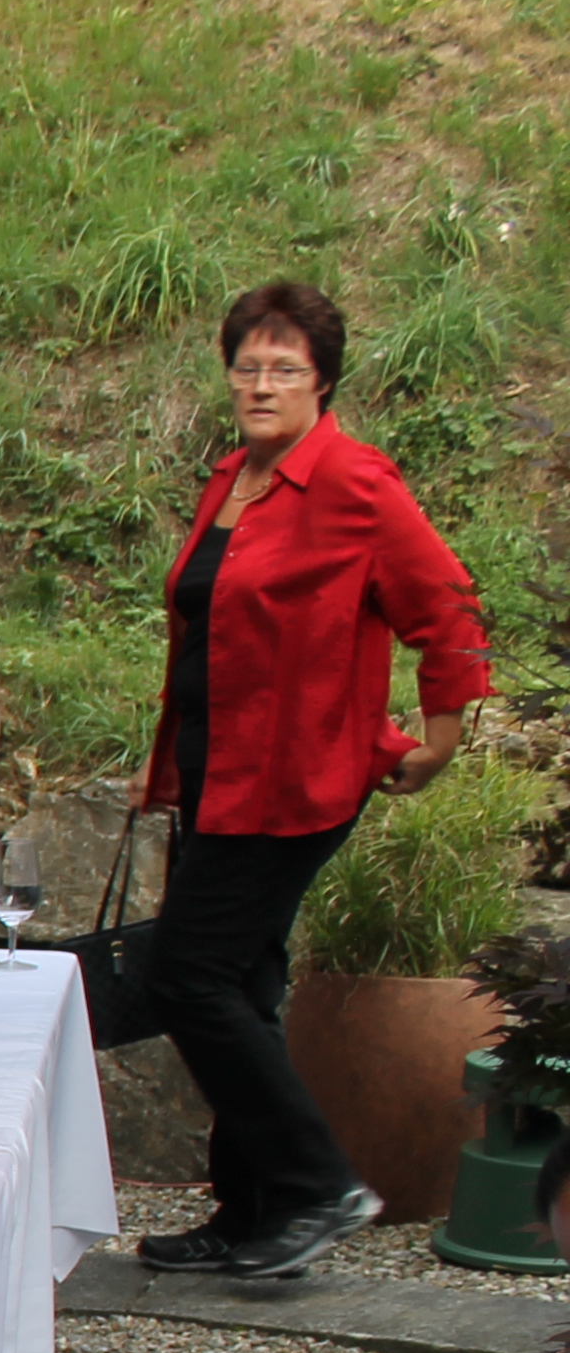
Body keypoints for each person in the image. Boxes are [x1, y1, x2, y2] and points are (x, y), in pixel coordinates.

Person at [130, 280, 488, 1281]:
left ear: (322, 379)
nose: (261, 381)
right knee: (242, 981)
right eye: (247, 363)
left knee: (185, 976)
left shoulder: (352, 481)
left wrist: (442, 731)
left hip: (293, 782)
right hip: (215, 774)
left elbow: (445, 605)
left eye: (284, 366)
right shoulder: (233, 480)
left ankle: (315, 1184)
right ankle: (246, 1213)